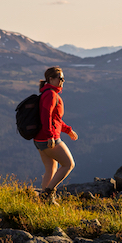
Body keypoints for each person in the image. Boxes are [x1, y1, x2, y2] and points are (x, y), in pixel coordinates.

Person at [34, 66, 78, 205]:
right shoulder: (51, 95)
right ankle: (48, 193)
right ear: (51, 79)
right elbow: (45, 116)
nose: (62, 81)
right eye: (60, 78)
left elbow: (55, 119)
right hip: (48, 138)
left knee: (51, 169)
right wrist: (50, 137)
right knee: (68, 164)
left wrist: (68, 130)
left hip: (40, 139)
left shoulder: (48, 93)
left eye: (63, 79)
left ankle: (45, 202)